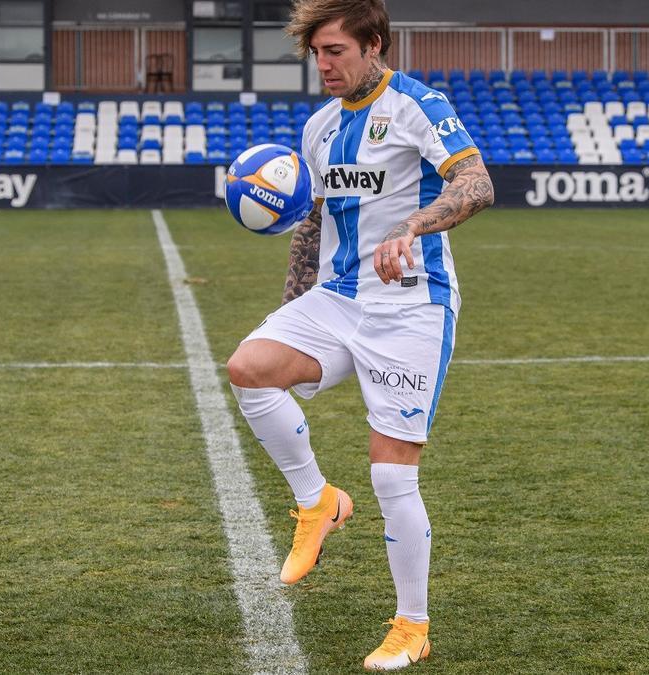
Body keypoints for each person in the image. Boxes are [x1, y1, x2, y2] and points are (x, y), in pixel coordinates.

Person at [225, 0, 494, 669]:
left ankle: (412, 624)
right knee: (250, 365)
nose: (324, 65)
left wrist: (414, 227)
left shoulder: (417, 105)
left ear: (373, 44)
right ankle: (317, 501)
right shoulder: (318, 128)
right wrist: (291, 309)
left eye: (336, 51)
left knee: (391, 473)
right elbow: (313, 225)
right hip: (339, 299)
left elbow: (476, 182)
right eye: (316, 53)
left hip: (411, 306)